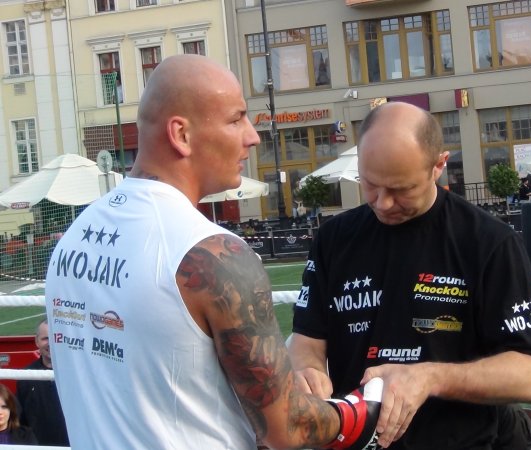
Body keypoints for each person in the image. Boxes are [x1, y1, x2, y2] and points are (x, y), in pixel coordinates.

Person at [44, 54, 383, 450]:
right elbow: (287, 427)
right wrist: (359, 411)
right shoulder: (213, 253)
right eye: (236, 119)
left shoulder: (74, 238)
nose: (252, 136)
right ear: (181, 134)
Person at [288, 101, 531, 450]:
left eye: (401, 189)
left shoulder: (489, 242)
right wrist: (307, 371)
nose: (383, 203)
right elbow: (307, 340)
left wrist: (429, 377)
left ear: (439, 165)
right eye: (370, 184)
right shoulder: (334, 239)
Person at [16, 318, 69, 446]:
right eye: (45, 338)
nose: (50, 343)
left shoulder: (77, 374)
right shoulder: (26, 376)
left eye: (55, 338)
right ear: (36, 341)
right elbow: (20, 421)